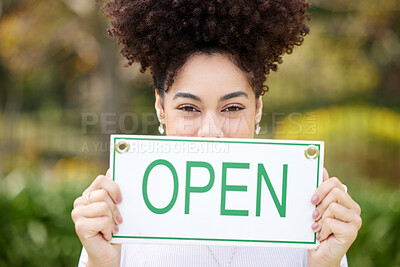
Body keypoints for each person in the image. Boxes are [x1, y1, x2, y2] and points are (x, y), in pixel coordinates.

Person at [71, 0, 362, 266]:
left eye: (232, 108)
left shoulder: (305, 208)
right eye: (189, 107)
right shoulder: (122, 207)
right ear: (161, 107)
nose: (211, 132)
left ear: (258, 108)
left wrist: (325, 264)